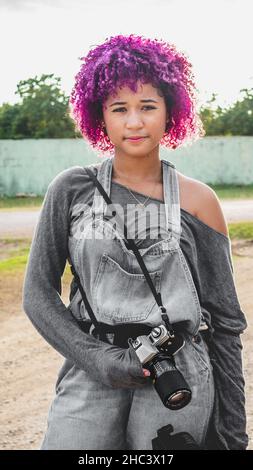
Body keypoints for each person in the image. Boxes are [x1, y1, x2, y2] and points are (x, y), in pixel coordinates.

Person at [22, 34, 248, 450]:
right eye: (119, 108)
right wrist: (96, 359)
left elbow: (226, 324)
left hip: (178, 375)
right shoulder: (72, 189)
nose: (134, 122)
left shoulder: (200, 201)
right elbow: (37, 293)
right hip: (92, 370)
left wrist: (234, 436)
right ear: (100, 116)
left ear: (170, 111)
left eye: (148, 106)